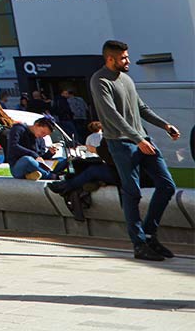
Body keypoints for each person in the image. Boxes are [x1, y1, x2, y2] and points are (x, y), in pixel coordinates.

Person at [89, 39, 183, 261]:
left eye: (127, 56)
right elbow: (112, 115)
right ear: (110, 59)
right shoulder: (100, 80)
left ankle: (149, 234)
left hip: (142, 140)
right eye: (123, 58)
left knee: (167, 185)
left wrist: (165, 125)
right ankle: (139, 244)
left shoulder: (127, 79)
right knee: (132, 193)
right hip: (121, 144)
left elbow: (141, 108)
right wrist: (137, 139)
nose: (128, 61)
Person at [49, 121, 120, 220]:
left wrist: (94, 150)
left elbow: (108, 155)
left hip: (120, 172)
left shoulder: (109, 137)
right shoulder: (112, 136)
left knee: (92, 170)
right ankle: (66, 185)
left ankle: (65, 186)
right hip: (118, 169)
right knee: (88, 168)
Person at [2, 116, 58, 180]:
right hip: (18, 166)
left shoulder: (41, 139)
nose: (43, 136)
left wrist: (50, 153)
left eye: (45, 135)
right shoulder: (18, 129)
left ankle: (32, 175)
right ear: (36, 125)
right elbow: (13, 146)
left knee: (61, 160)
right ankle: (50, 176)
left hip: (36, 165)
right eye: (43, 132)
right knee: (27, 160)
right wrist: (33, 154)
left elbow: (41, 157)